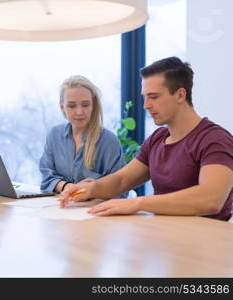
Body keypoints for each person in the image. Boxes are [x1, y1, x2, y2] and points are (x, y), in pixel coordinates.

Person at [60, 57, 233, 221]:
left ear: (180, 95)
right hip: (166, 239)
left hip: (206, 243)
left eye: (154, 97)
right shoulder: (157, 139)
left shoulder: (215, 140)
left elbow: (211, 199)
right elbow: (123, 180)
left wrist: (138, 203)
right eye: (145, 97)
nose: (146, 105)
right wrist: (90, 189)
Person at [39, 75, 126, 195]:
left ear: (93, 105)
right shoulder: (54, 135)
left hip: (95, 210)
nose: (79, 112)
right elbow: (46, 180)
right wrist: (69, 188)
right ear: (62, 107)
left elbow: (119, 191)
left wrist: (87, 192)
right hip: (58, 208)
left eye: (85, 105)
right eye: (71, 105)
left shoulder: (109, 142)